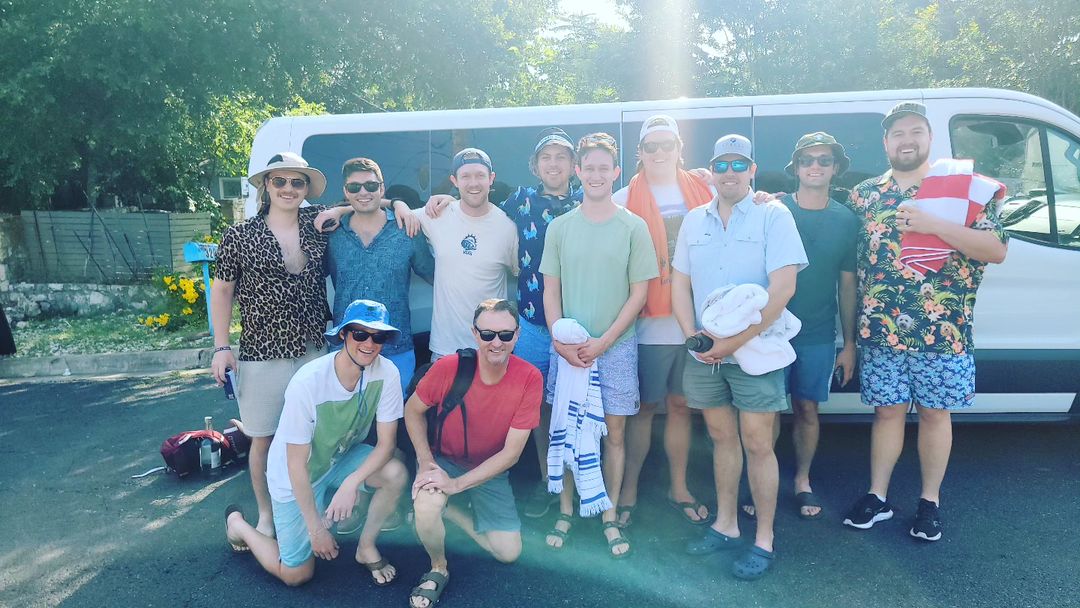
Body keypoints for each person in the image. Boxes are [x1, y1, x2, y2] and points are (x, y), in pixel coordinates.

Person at [841, 102, 1008, 541]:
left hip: (942, 329)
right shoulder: (864, 195)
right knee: (887, 414)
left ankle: (929, 502)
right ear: (886, 143)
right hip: (880, 330)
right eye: (897, 134)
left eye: (915, 131)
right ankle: (878, 497)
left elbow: (995, 249)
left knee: (936, 415)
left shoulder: (962, 189)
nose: (907, 140)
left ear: (930, 138)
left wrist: (934, 223)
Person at [424, 127, 582, 518]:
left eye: (562, 157)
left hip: (583, 321)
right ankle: (549, 483)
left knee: (582, 407)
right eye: (546, 157)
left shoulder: (590, 198)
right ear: (535, 165)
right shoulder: (521, 202)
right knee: (539, 409)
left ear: (575, 165)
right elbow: (474, 211)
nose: (554, 164)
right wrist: (433, 200)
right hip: (529, 322)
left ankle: (589, 487)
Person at [672, 134, 807, 580]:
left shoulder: (774, 215)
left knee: (757, 442)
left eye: (738, 164)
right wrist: (695, 338)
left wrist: (732, 343)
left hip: (758, 351)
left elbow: (783, 288)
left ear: (752, 170)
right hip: (705, 350)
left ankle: (763, 538)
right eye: (721, 165)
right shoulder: (694, 220)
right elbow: (679, 285)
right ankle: (725, 525)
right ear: (710, 171)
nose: (729, 172)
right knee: (720, 437)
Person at [224, 299, 407, 587]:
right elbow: (295, 464)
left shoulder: (387, 373)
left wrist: (350, 484)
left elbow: (386, 444)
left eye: (378, 336)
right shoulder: (308, 382)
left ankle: (366, 547)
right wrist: (315, 530)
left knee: (395, 472)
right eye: (360, 334)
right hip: (296, 476)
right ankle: (238, 526)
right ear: (343, 335)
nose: (369, 344)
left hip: (339, 460)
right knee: (297, 575)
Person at [540, 132, 658, 557]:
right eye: (587, 167)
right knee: (568, 428)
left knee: (614, 433)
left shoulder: (633, 226)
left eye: (602, 168)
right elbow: (549, 292)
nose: (595, 174)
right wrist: (558, 339)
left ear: (616, 173)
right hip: (568, 349)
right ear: (578, 172)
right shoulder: (560, 227)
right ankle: (567, 510)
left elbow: (639, 293)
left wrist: (605, 341)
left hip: (616, 347)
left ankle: (607, 515)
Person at [211, 152, 331, 538]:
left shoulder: (318, 225)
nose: (288, 189)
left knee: (312, 436)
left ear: (306, 189)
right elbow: (223, 290)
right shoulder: (239, 235)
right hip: (262, 351)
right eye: (279, 181)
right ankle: (266, 515)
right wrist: (220, 347)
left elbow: (364, 200)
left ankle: (310, 508)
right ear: (266, 186)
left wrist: (395, 202)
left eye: (297, 182)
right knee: (262, 437)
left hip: (313, 349)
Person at [744, 132, 860, 521]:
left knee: (807, 409)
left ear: (835, 168)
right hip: (769, 331)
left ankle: (803, 480)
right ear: (795, 168)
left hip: (816, 333)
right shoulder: (772, 210)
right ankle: (765, 482)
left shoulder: (846, 220)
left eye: (824, 160)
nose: (815, 166)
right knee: (768, 410)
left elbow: (847, 284)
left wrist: (849, 343)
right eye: (807, 160)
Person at [404, 298, 542, 608]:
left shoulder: (530, 378)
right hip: (444, 459)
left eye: (505, 335)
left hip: (489, 466)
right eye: (488, 334)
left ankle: (451, 512)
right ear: (474, 333)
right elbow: (412, 411)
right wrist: (426, 463)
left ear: (517, 335)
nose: (496, 343)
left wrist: (456, 487)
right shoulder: (448, 368)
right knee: (427, 506)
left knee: (508, 552)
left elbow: (511, 454)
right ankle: (438, 567)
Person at [612, 114, 714, 528]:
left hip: (697, 321)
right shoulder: (621, 198)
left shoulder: (705, 189)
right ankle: (630, 487)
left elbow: (750, 202)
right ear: (639, 152)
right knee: (643, 408)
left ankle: (679, 486)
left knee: (680, 406)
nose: (658, 153)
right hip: (648, 324)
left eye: (666, 145)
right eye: (650, 146)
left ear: (679, 148)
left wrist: (765, 197)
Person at [324, 157, 434, 393]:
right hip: (346, 348)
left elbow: (434, 276)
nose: (363, 192)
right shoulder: (332, 234)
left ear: (381, 189)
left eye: (371, 186)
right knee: (345, 423)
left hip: (396, 348)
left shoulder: (407, 230)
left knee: (393, 422)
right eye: (355, 187)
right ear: (346, 191)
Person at [416, 148, 518, 360]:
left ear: (491, 179)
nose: (473, 183)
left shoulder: (508, 227)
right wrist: (338, 211)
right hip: (445, 349)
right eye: (465, 176)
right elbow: (379, 210)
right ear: (454, 180)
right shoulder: (436, 215)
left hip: (492, 350)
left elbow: (522, 275)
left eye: (480, 175)